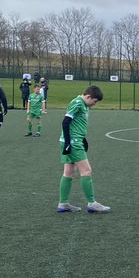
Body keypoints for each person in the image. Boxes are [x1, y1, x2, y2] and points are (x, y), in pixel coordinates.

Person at [57, 84, 110, 213]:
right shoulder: (78, 103)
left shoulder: (83, 104)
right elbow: (65, 121)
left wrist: (83, 138)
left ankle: (63, 204)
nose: (94, 104)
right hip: (73, 142)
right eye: (94, 101)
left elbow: (76, 123)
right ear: (88, 96)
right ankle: (92, 203)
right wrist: (70, 142)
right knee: (86, 171)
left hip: (71, 140)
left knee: (68, 172)